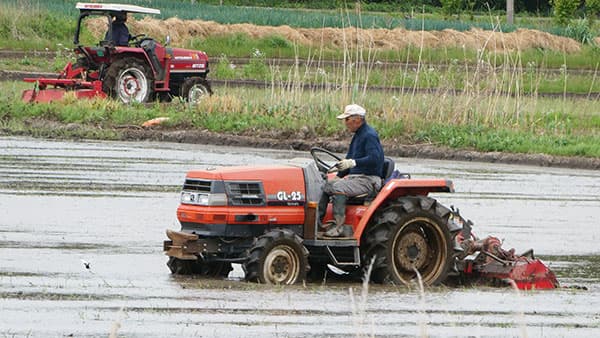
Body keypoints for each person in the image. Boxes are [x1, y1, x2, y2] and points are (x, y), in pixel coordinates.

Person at [318, 104, 385, 237]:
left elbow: (375, 159)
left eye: (347, 119)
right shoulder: (358, 136)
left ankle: (339, 227)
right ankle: (318, 223)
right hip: (356, 178)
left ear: (357, 119)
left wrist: (354, 162)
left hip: (369, 179)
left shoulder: (369, 135)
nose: (345, 123)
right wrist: (338, 174)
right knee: (325, 186)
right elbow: (348, 161)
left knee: (339, 187)